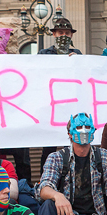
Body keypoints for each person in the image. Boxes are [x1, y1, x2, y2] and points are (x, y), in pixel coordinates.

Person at [38, 18, 83, 169]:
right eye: (61, 33)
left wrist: (78, 61)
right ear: (54, 34)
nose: (64, 36)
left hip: (69, 105)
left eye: (67, 33)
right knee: (48, 147)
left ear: (71, 36)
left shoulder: (77, 54)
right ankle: (45, 177)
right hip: (50, 106)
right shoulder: (44, 54)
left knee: (69, 145)